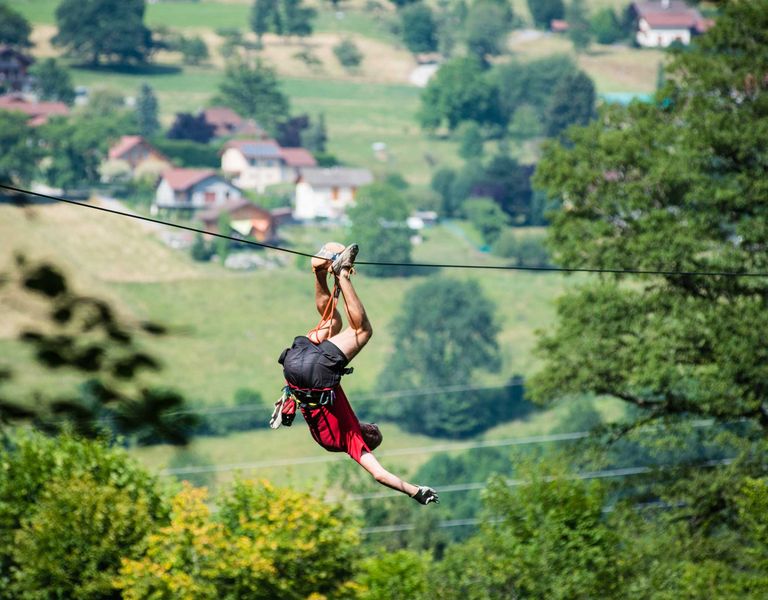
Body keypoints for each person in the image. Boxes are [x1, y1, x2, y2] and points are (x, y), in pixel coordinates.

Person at [275, 242, 439, 505]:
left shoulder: (352, 439)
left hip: (312, 372)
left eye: (374, 430)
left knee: (362, 331)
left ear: (368, 437)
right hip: (294, 368)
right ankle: (319, 270)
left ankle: (339, 272)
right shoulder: (331, 434)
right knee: (333, 322)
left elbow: (380, 474)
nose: (372, 425)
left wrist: (415, 490)